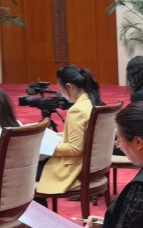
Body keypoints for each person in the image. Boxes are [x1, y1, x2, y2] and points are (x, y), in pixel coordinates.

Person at [36, 65, 102, 196]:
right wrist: (61, 136)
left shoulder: (76, 110)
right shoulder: (92, 102)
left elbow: (74, 149)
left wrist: (46, 147)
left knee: (23, 172)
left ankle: (37, 209)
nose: (60, 92)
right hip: (94, 163)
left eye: (60, 88)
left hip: (74, 167)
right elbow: (86, 136)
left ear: (69, 87)